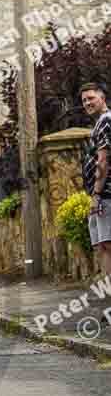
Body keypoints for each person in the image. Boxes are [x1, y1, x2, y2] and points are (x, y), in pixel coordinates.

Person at [81, 82, 111, 276]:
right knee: (102, 245)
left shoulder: (106, 121)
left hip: (106, 193)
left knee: (107, 244)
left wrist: (97, 194)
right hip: (100, 194)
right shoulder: (100, 122)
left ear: (102, 97)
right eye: (84, 100)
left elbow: (103, 160)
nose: (87, 103)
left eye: (91, 98)